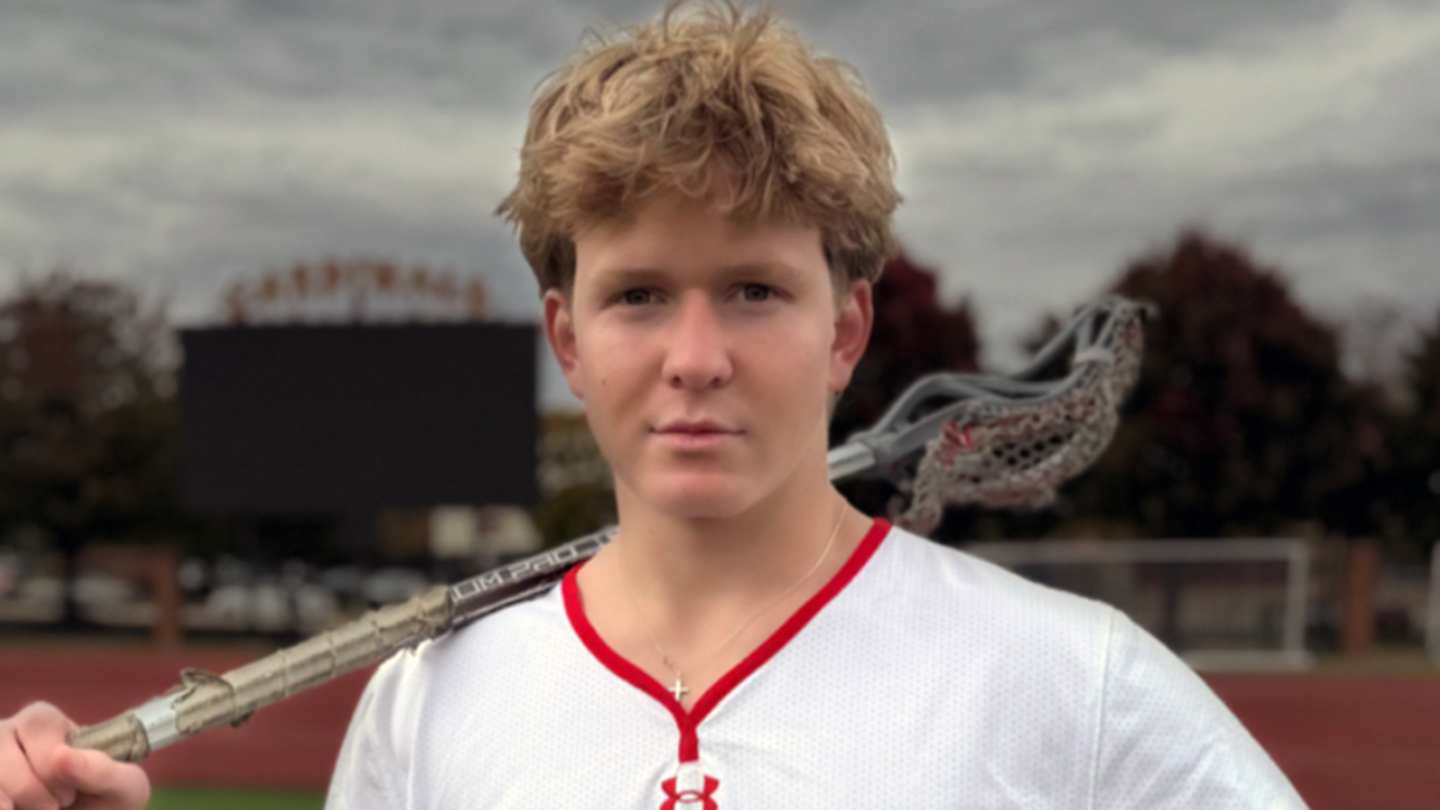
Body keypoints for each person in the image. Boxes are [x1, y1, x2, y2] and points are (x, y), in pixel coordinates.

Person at [1, 2, 1306, 808]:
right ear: (567, 337)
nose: (695, 356)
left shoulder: (1076, 685)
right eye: (638, 297)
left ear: (846, 328)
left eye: (753, 291)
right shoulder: (427, 701)